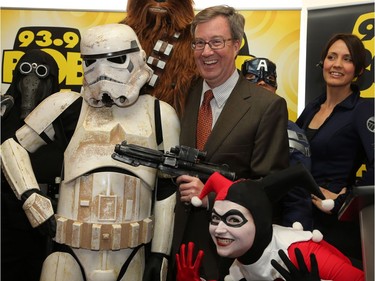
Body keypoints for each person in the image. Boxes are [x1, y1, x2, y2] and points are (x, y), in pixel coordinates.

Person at [1, 24, 180, 281]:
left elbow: (166, 189)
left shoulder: (160, 115)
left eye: (115, 59)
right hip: (68, 250)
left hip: (131, 252)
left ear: (136, 58)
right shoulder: (65, 106)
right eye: (92, 62)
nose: (102, 72)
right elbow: (12, 147)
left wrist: (160, 255)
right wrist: (31, 198)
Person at [168, 5, 290, 281]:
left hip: (230, 256)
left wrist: (212, 196)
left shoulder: (266, 106)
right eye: (199, 43)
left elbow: (270, 187)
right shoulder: (183, 94)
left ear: (236, 45)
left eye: (216, 42)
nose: (206, 52)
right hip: (179, 246)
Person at [176, 166, 365, 281]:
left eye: (234, 220)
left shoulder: (300, 253)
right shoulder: (236, 258)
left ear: (258, 223)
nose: (219, 229)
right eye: (215, 219)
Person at [1, 49, 81, 281]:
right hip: (7, 222)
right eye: (26, 71)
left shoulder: (65, 120)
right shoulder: (4, 115)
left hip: (51, 221)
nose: (31, 82)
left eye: (41, 73)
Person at [296, 33, 374, 263]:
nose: (337, 64)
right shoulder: (312, 107)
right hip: (299, 216)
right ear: (323, 63)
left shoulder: (363, 109)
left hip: (333, 227)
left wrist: (346, 200)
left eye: (347, 59)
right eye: (332, 57)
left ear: (358, 70)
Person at [241, 57, 313, 230]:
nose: (261, 85)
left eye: (268, 82)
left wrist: (294, 234)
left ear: (275, 88)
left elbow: (298, 190)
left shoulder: (291, 132)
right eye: (252, 79)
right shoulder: (227, 123)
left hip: (271, 225)